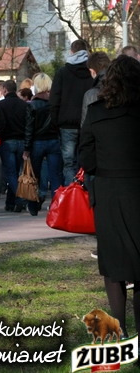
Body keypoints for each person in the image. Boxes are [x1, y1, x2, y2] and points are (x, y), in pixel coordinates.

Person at [79, 55, 140, 339]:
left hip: (108, 191)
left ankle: (121, 330)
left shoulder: (96, 112)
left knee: (113, 264)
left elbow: (86, 158)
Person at [50, 39, 94, 185]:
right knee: (86, 161)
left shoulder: (62, 72)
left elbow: (54, 99)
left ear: (71, 51)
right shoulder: (91, 72)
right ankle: (86, 192)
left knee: (69, 163)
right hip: (87, 122)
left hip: (66, 124)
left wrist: (55, 122)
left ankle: (72, 192)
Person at [22, 73, 61, 216]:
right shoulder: (55, 103)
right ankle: (57, 205)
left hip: (37, 142)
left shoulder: (32, 105)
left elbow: (29, 128)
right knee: (55, 175)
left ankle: (33, 205)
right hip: (54, 141)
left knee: (34, 176)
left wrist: (26, 148)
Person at [0, 80, 29, 213]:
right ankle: (10, 202)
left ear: (4, 90)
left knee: (10, 173)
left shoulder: (1, 105)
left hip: (7, 140)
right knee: (16, 172)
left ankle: (20, 199)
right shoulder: (24, 105)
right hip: (21, 140)